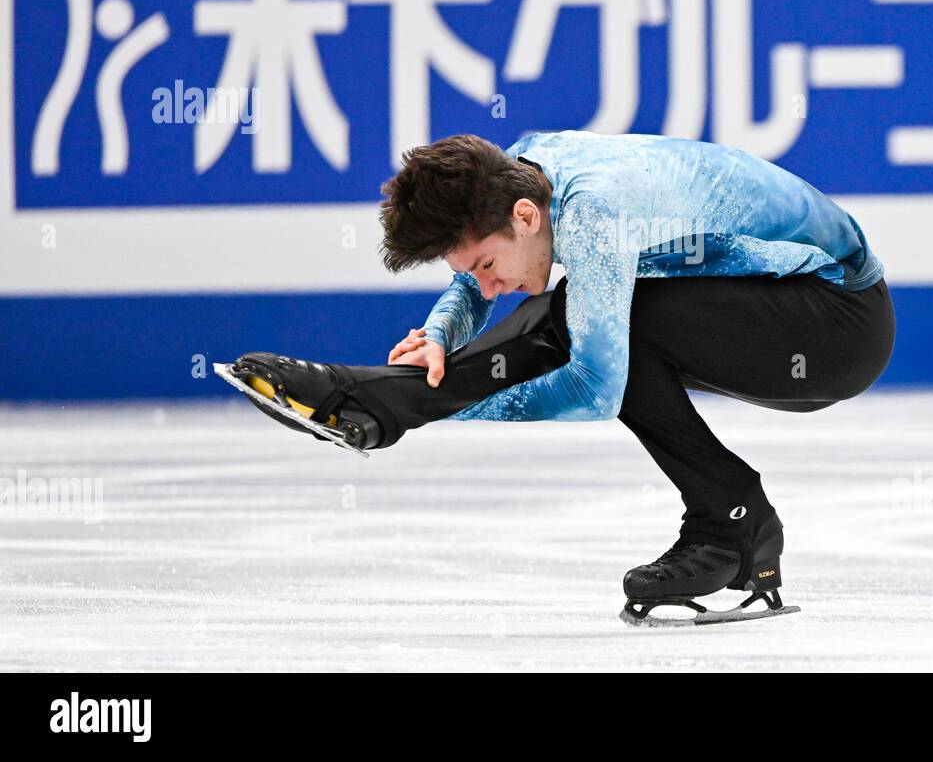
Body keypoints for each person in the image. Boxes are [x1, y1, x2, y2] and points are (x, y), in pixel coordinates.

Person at [219, 129, 895, 623]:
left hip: (838, 325)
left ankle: (380, 404)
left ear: (525, 218)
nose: (491, 283)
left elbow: (594, 388)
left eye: (487, 263)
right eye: (471, 271)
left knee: (586, 316)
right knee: (599, 314)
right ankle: (733, 525)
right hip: (768, 303)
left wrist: (438, 407)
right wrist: (437, 336)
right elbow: (479, 288)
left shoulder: (596, 208)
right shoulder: (524, 173)